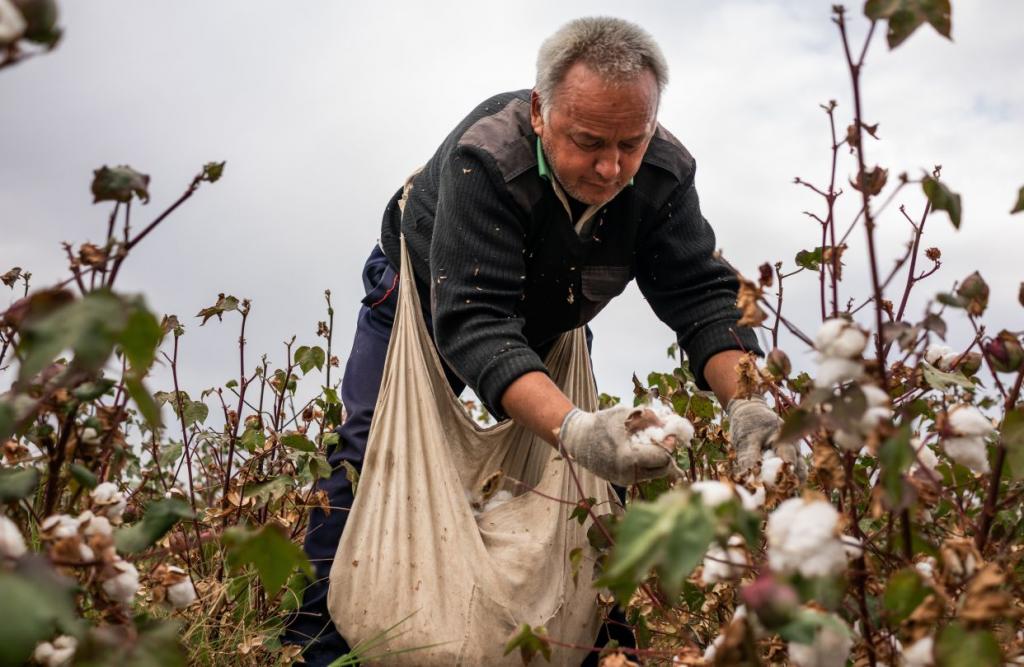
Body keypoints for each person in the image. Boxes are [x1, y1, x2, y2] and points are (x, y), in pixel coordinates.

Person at [284, 16, 787, 666]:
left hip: (555, 312)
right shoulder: (487, 162)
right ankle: (313, 647)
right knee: (366, 451)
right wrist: (576, 429)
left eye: (630, 143)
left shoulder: (661, 176)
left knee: (601, 475)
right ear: (540, 112)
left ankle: (602, 649)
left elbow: (701, 294)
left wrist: (747, 400)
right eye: (588, 142)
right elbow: (477, 321)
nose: (610, 168)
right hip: (427, 293)